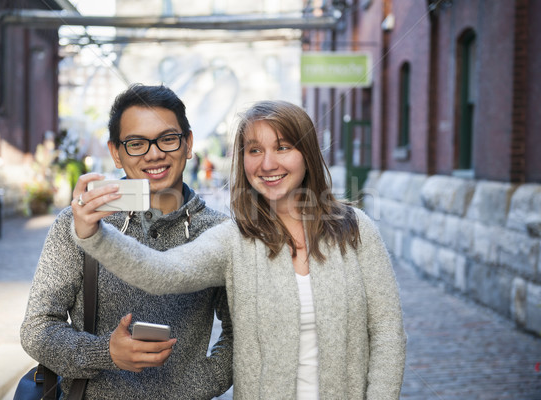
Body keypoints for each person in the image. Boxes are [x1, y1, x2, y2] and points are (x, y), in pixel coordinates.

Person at [72, 100, 406, 399]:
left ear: (308, 154)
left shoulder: (354, 228)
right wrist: (95, 235)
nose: (268, 164)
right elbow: (162, 273)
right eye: (255, 150)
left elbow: (388, 332)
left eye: (284, 147)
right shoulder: (235, 238)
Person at [20, 84, 234, 399]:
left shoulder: (218, 231)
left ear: (188, 144)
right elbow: (37, 329)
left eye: (168, 138)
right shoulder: (80, 222)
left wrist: (193, 386)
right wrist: (105, 352)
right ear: (116, 153)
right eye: (136, 143)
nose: (154, 153)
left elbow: (241, 333)